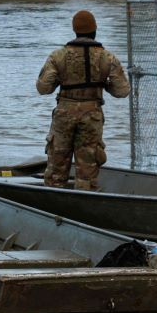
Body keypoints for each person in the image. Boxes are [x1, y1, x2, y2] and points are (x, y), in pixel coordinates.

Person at [35, 10, 131, 190]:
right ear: (95, 30)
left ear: (74, 30)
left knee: (56, 170)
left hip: (64, 114)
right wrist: (103, 85)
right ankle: (84, 205)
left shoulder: (58, 56)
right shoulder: (107, 57)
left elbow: (43, 88)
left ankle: (52, 208)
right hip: (92, 115)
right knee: (87, 172)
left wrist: (60, 81)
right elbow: (123, 91)